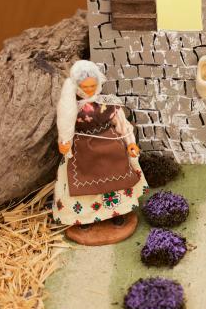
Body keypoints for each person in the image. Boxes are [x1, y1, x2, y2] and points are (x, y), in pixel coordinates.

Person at [53, 60, 147, 230]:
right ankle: (84, 217)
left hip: (110, 147)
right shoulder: (71, 106)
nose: (89, 90)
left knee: (117, 177)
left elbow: (122, 123)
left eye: (92, 86)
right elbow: (65, 126)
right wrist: (65, 142)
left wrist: (130, 143)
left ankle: (117, 212)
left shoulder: (107, 103)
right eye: (85, 87)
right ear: (76, 85)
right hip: (83, 150)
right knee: (82, 182)